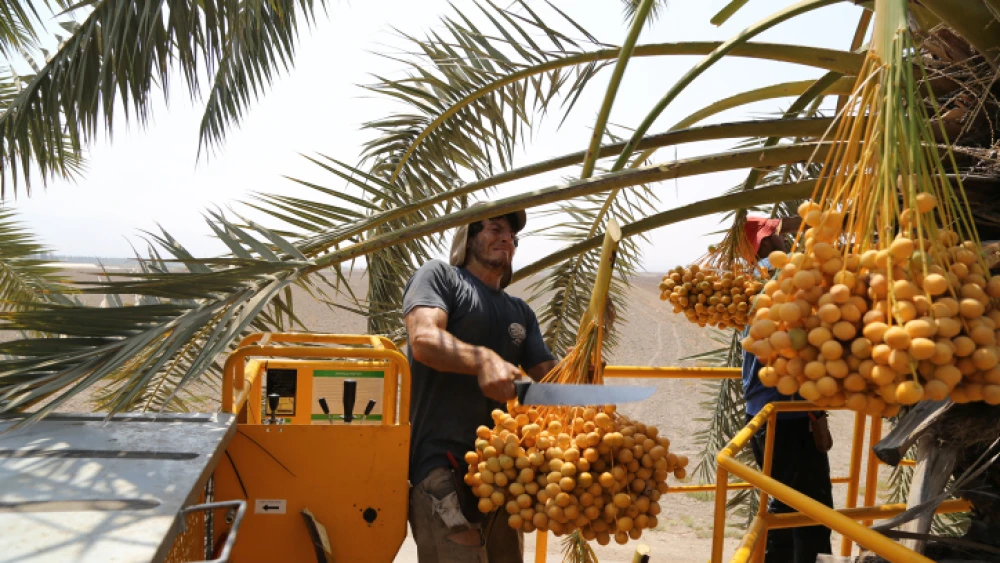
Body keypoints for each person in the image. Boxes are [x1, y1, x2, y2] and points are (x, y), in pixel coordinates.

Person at [402, 204, 558, 563]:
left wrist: (588, 362)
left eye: (512, 236)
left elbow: (550, 376)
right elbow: (424, 339)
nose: (507, 238)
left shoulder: (521, 311)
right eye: (494, 229)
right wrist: (484, 360)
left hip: (503, 472)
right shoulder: (440, 277)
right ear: (468, 239)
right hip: (441, 467)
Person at [742, 215, 834, 563]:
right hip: (787, 412)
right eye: (778, 236)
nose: (786, 241)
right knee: (813, 509)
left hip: (769, 411)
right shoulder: (777, 272)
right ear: (765, 244)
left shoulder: (756, 280)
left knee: (783, 505)